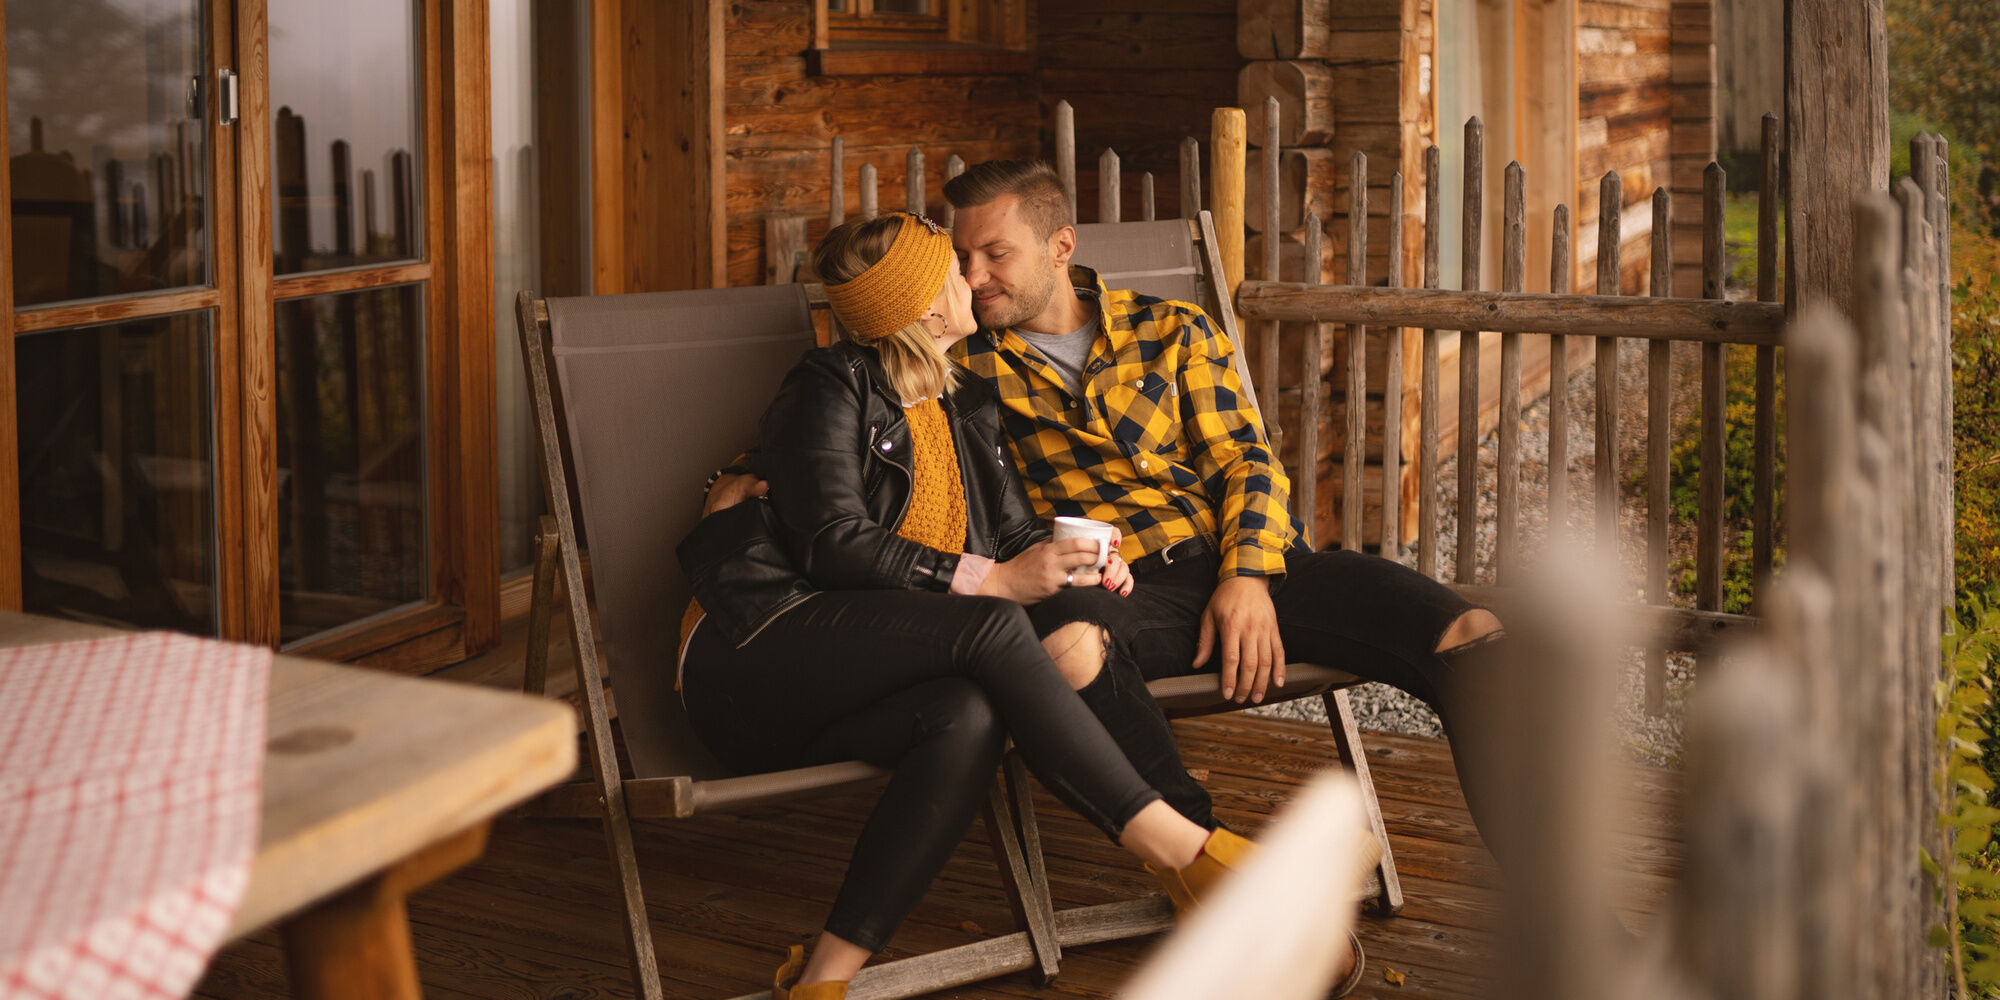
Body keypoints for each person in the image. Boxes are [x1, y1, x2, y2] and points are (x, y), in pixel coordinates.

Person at [678, 211, 1364, 1000]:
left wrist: (1082, 560)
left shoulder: (960, 397)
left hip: (865, 676)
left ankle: (822, 981)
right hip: (759, 651)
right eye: (952, 271)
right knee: (994, 623)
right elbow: (832, 541)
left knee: (965, 716)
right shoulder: (828, 384)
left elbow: (1010, 535)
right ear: (928, 309)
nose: (972, 280)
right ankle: (1183, 849)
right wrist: (995, 581)